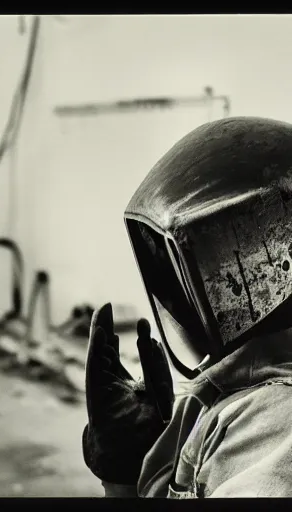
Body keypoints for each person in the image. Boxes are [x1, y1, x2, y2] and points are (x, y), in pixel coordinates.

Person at [82, 116, 292, 498]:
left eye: (225, 261)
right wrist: (128, 466)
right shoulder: (227, 390)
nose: (181, 295)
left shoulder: (278, 425)